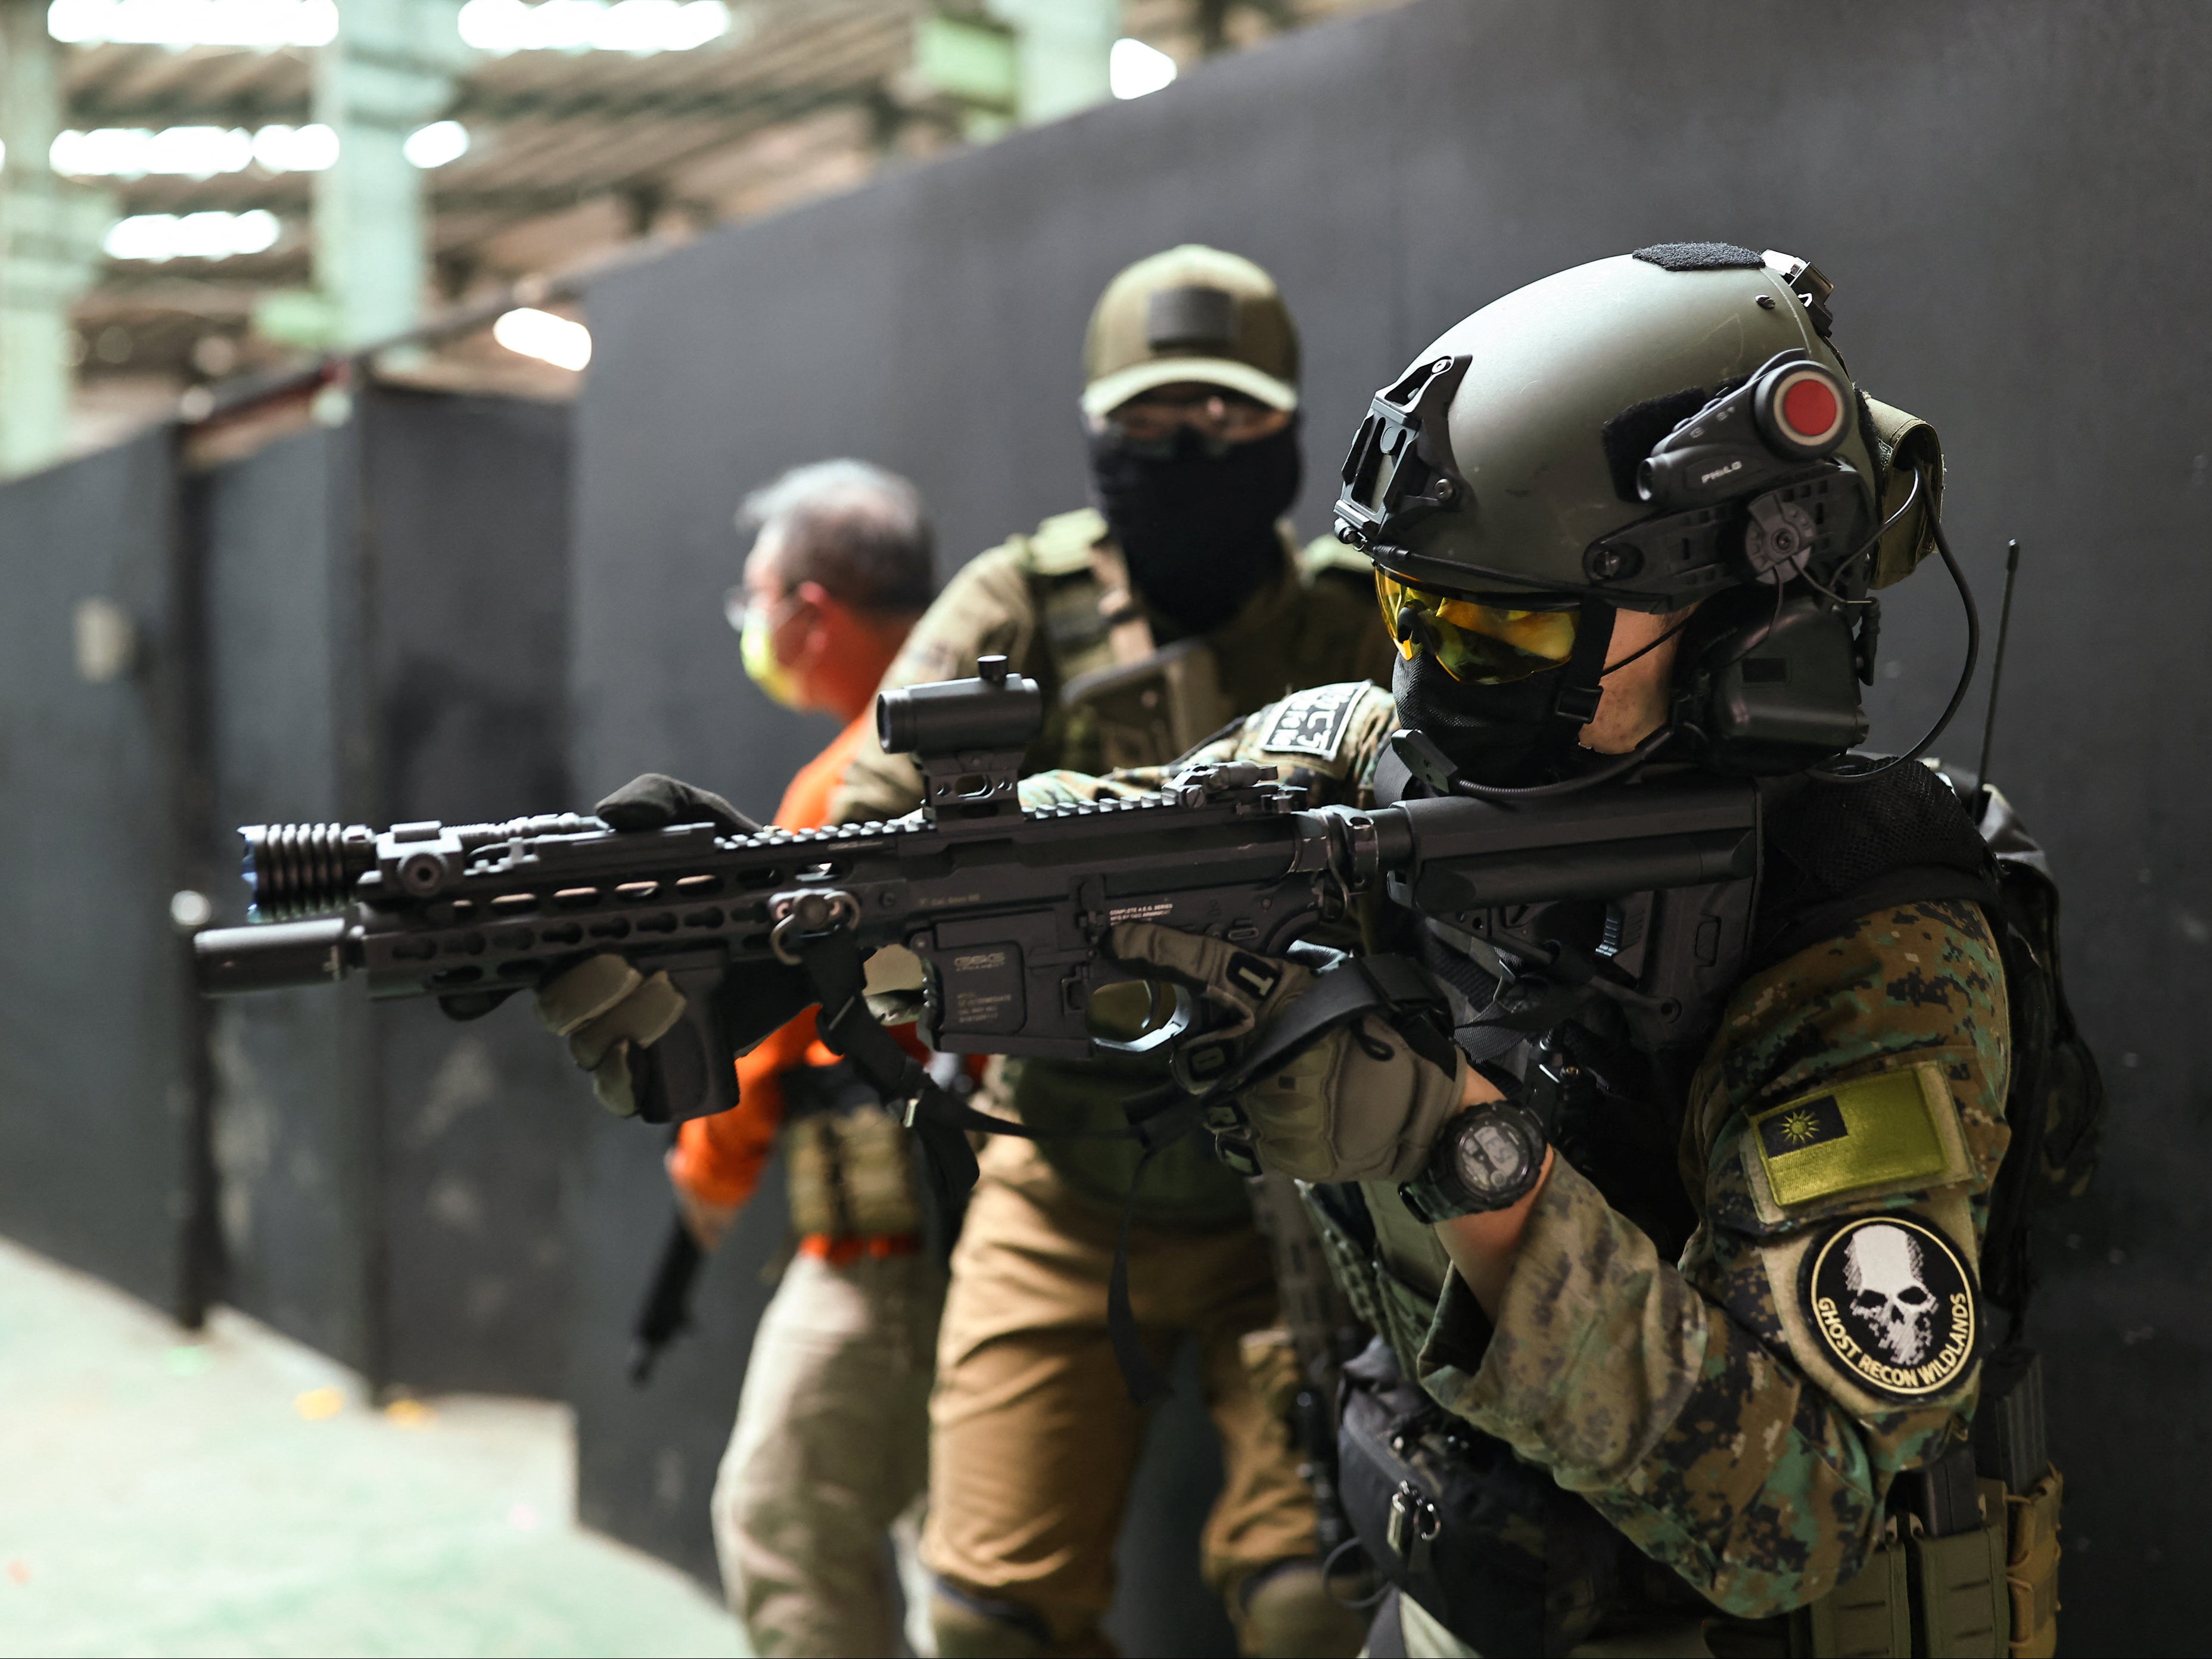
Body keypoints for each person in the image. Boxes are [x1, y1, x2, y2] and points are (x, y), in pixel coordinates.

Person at [1045, 245, 2059, 1657]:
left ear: (1740, 622)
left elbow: (1793, 1508)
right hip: (1468, 1583)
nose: (1430, 682)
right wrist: (784, 919)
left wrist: (1457, 1148)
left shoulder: (1869, 940)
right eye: (1417, 613)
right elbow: (1106, 846)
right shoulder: (1378, 754)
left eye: (1506, 627)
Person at [830, 245, 1392, 1659]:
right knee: (987, 1619)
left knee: (1314, 1604)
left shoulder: (1353, 615)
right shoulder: (1016, 610)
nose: (1188, 451)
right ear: (1097, 436)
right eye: (1151, 425)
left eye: (1227, 422)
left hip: (1319, 1177)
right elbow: (863, 852)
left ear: (1289, 434)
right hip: (1072, 1166)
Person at [621, 459, 948, 1656]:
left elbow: (760, 1042)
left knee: (783, 1520)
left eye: (755, 597)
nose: (749, 624)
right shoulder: (975, 731)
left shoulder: (844, 785)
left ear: (811, 612)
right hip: (990, 1219)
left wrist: (706, 1172)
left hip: (894, 1239)